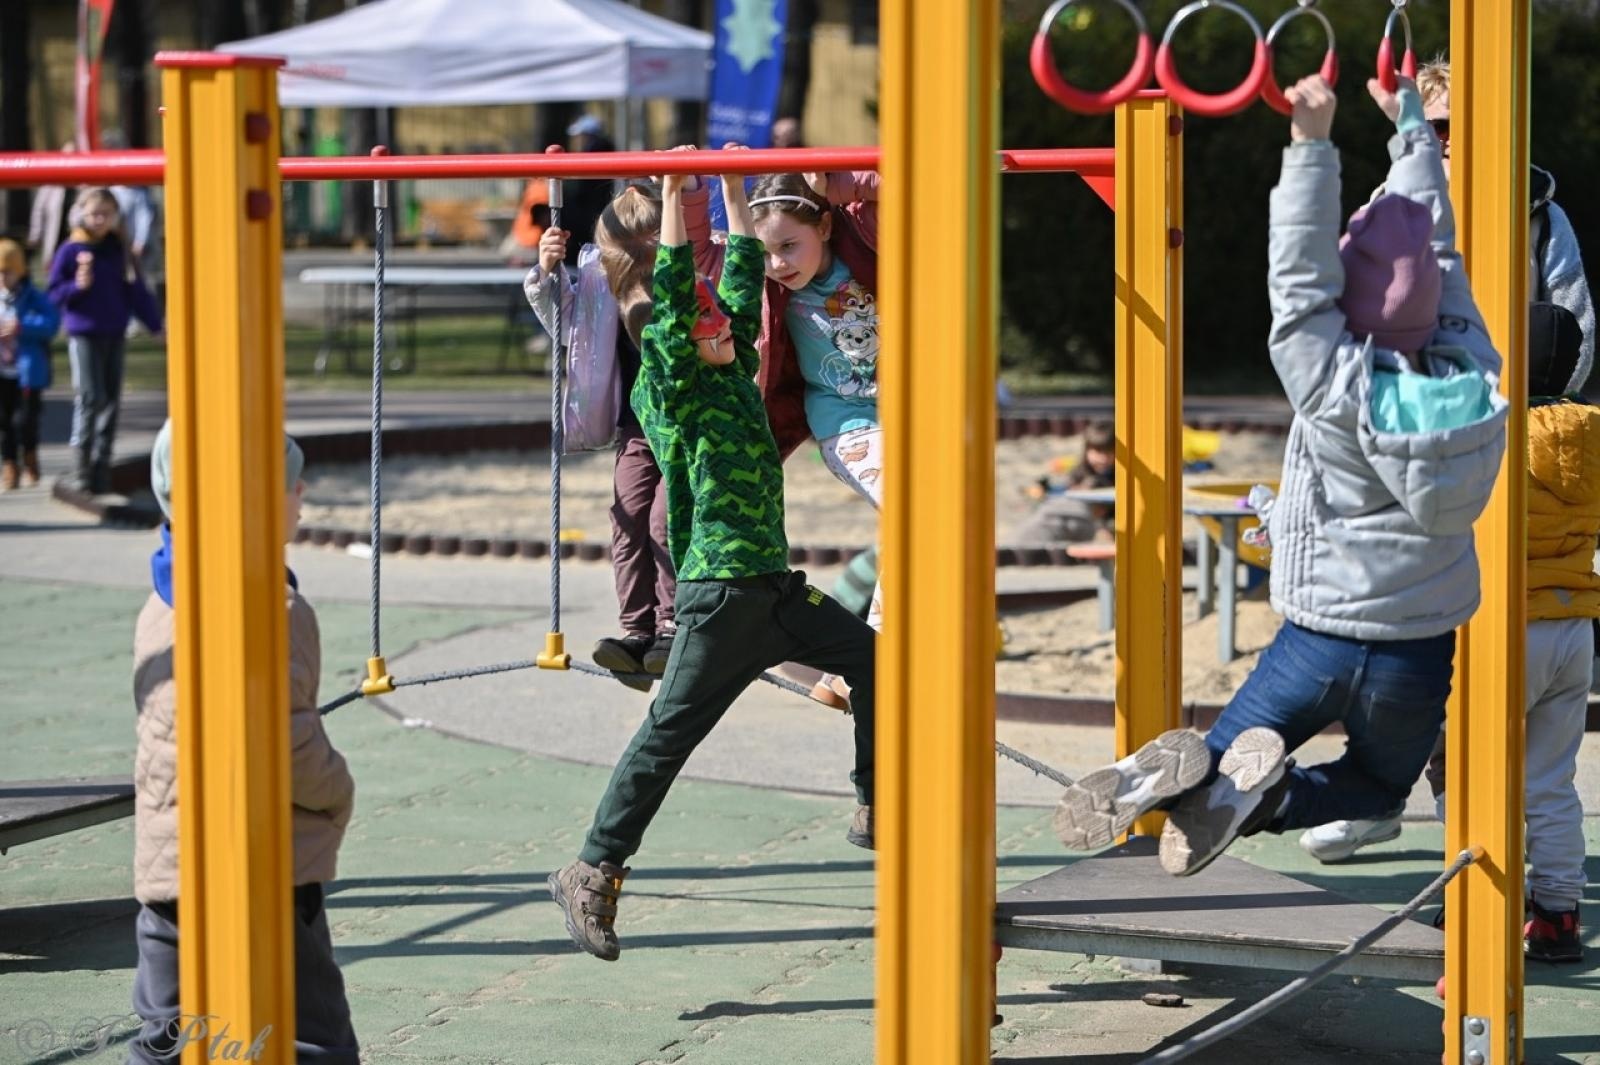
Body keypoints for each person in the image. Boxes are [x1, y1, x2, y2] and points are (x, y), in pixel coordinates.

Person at [1052, 74, 1508, 877]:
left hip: (1316, 640)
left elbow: (1301, 274)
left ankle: (1169, 775)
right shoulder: (1475, 372)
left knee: (1224, 751)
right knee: (1375, 785)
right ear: (1438, 305)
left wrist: (1312, 143)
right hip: (1415, 649)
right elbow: (1437, 251)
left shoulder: (1327, 375)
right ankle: (1274, 801)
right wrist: (1408, 131)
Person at [548, 152, 879, 962]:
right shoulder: (677, 385)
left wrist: (734, 183)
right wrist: (671, 193)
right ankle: (592, 867)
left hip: (773, 589)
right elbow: (675, 287)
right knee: (666, 739)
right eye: (696, 322)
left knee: (878, 663)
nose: (714, 324)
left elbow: (732, 266)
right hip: (716, 599)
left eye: (719, 315)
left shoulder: (732, 360)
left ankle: (874, 799)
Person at [1300, 54, 1598, 864]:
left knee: (1480, 640)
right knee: (1393, 619)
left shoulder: (1539, 216)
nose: (1456, 143)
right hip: (1413, 435)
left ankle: (1452, 817)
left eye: (1476, 127)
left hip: (1506, 433)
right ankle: (1384, 786)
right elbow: (1347, 303)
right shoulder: (1396, 201)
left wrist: (1536, 410)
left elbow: (1575, 326)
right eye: (1438, 128)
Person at [128, 422, 359, 1063]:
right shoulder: (273, 608)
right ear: (252, 499)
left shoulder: (160, 601)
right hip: (264, 869)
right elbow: (287, 742)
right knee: (312, 1036)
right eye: (288, 481)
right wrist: (338, 790)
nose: (301, 490)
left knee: (167, 1036)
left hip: (169, 873)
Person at [685, 166, 881, 708]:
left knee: (929, 529)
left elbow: (917, 195)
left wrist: (845, 186)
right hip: (848, 425)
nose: (779, 264)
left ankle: (846, 672)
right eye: (768, 251)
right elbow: (700, 255)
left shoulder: (866, 243)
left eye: (790, 246)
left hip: (913, 417)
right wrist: (691, 188)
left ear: (823, 225)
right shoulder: (765, 283)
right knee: (914, 516)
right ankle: (864, 666)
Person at [524, 197, 677, 689]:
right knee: (627, 516)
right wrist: (548, 271)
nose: (633, 266)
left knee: (662, 520)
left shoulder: (681, 274)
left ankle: (672, 625)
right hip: (635, 424)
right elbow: (568, 324)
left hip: (682, 425)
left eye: (644, 253)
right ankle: (637, 630)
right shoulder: (599, 279)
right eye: (624, 255)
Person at [45, 187, 162, 494]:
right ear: (82, 213)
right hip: (83, 332)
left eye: (106, 214)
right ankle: (82, 466)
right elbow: (54, 294)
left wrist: (154, 325)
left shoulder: (119, 249)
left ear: (115, 217)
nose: (99, 220)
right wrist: (77, 286)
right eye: (94, 214)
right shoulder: (70, 250)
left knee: (111, 398)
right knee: (90, 396)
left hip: (114, 330)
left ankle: (102, 467)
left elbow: (136, 291)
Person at [0, 240, 60, 491]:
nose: (3, 278)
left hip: (27, 372)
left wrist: (22, 327)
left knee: (25, 421)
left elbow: (51, 323)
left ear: (20, 271)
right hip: (2, 373)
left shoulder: (33, 297)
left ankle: (30, 458)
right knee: (4, 423)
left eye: (7, 272)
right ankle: (10, 465)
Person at [1012, 421, 1116, 544]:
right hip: (1083, 520)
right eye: (1098, 452)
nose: (1103, 459)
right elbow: (1067, 491)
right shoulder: (1081, 472)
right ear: (1087, 451)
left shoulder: (1117, 474)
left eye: (1109, 453)